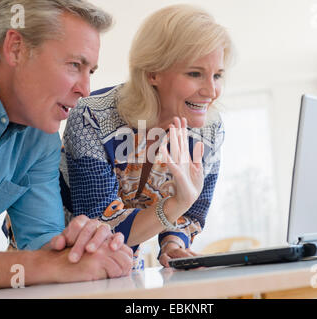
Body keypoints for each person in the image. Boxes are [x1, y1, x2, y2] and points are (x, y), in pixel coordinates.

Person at [0, 0, 133, 293]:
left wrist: (80, 249)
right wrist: (48, 266)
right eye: (74, 65)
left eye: (91, 72)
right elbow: (43, 264)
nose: (84, 90)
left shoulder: (41, 137)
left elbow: (41, 238)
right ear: (16, 48)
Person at [60, 4, 232, 269]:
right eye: (195, 73)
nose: (211, 91)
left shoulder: (209, 130)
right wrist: (179, 202)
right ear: (153, 73)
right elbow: (101, 227)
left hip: (125, 265)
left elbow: (191, 214)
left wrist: (173, 245)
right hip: (60, 262)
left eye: (217, 75)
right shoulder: (92, 117)